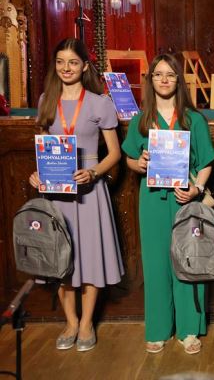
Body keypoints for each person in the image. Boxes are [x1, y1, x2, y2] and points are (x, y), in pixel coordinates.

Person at [30, 38, 124, 351]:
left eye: (72, 62)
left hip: (88, 192)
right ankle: (70, 321)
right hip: (56, 193)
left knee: (89, 256)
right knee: (61, 259)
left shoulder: (100, 103)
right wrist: (38, 174)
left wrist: (94, 172)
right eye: (60, 62)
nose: (66, 68)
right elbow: (43, 149)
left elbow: (115, 153)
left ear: (84, 66)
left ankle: (86, 324)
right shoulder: (46, 100)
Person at [122, 54, 214, 355]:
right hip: (152, 199)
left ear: (179, 80)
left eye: (170, 74)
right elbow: (129, 159)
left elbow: (206, 162)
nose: (164, 80)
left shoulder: (193, 119)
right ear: (150, 80)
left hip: (184, 198)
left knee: (189, 260)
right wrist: (138, 163)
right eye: (158, 74)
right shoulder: (140, 120)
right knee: (156, 264)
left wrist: (197, 188)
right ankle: (159, 328)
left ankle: (188, 329)